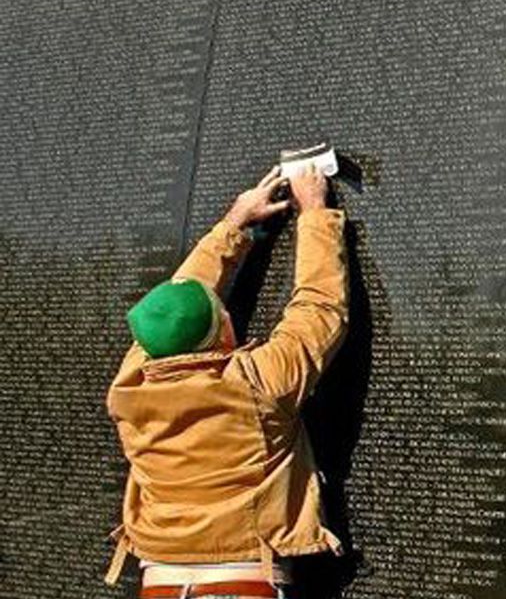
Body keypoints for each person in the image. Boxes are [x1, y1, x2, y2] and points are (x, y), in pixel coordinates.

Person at [105, 164, 349, 599]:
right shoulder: (259, 380)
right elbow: (319, 309)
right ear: (223, 332)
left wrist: (234, 222)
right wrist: (314, 211)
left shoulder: (130, 384)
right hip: (243, 580)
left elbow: (174, 305)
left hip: (157, 583)